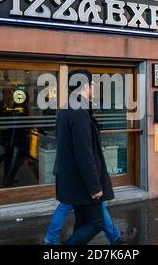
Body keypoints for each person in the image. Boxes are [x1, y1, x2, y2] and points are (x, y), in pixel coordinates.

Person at [53, 69, 123, 245]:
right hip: (82, 183)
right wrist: (94, 186)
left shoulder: (67, 108)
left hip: (74, 180)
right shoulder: (79, 112)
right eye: (93, 84)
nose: (95, 87)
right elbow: (84, 153)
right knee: (96, 223)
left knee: (83, 221)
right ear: (85, 86)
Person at [45, 201, 137, 245]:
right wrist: (95, 186)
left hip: (69, 178)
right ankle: (115, 238)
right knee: (100, 207)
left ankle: (51, 239)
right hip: (80, 181)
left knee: (64, 207)